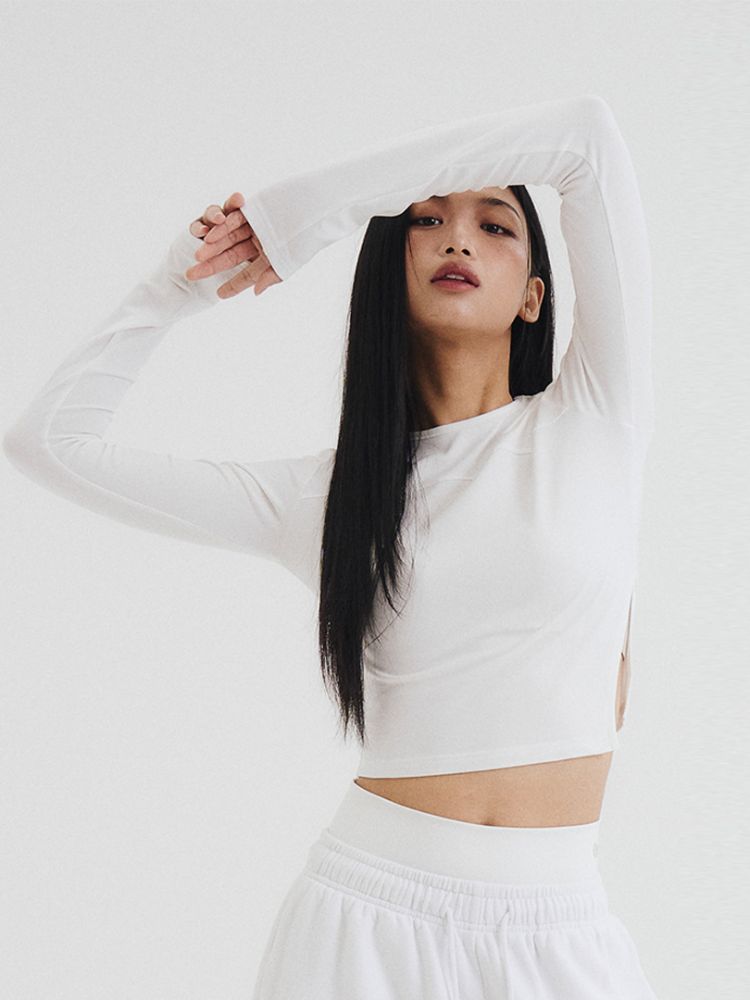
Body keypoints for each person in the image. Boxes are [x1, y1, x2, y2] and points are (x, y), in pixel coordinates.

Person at [4, 94, 659, 998]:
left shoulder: (597, 420)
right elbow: (49, 442)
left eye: (494, 225)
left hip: (561, 930)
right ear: (389, 276)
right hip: (366, 927)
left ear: (534, 296)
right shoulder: (327, 500)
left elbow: (583, 135)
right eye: (423, 220)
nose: (457, 239)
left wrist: (296, 218)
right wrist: (173, 288)